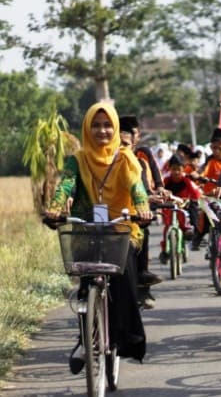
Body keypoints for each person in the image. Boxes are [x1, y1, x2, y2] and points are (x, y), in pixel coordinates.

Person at [46, 102, 153, 373]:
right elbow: (67, 183)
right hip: (89, 227)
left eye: (107, 125)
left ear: (115, 128)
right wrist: (56, 207)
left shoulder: (125, 158)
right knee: (86, 281)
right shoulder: (78, 159)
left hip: (122, 226)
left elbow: (136, 186)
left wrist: (142, 207)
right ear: (87, 128)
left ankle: (126, 335)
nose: (102, 130)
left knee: (124, 272)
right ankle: (84, 340)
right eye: (95, 125)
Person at [119, 115, 167, 309]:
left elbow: (141, 187)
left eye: (126, 144)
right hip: (103, 215)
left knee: (142, 233)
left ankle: (141, 284)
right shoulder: (92, 160)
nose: (122, 149)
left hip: (132, 213)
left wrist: (149, 197)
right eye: (118, 144)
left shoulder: (139, 162)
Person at [190, 128, 221, 249]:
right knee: (204, 215)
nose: (216, 151)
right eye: (213, 148)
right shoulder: (211, 159)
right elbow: (203, 170)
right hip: (211, 196)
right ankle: (197, 237)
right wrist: (196, 174)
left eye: (219, 148)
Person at [159, 154, 202, 263]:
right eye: (174, 169)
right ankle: (164, 250)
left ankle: (188, 232)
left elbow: (196, 193)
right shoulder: (166, 181)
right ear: (170, 169)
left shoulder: (186, 180)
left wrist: (192, 200)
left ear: (183, 169)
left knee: (185, 222)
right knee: (167, 228)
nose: (176, 172)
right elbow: (159, 192)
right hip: (169, 207)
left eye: (179, 169)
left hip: (183, 207)